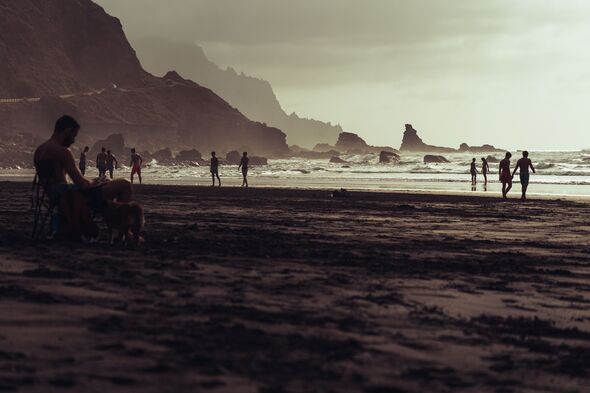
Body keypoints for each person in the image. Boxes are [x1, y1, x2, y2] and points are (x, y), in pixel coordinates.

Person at [33, 115, 132, 224]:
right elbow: (82, 184)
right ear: (67, 131)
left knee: (104, 182)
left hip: (54, 196)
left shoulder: (40, 150)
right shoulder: (63, 152)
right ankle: (119, 229)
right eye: (73, 136)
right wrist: (97, 182)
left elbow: (57, 180)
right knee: (125, 184)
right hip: (71, 198)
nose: (73, 140)